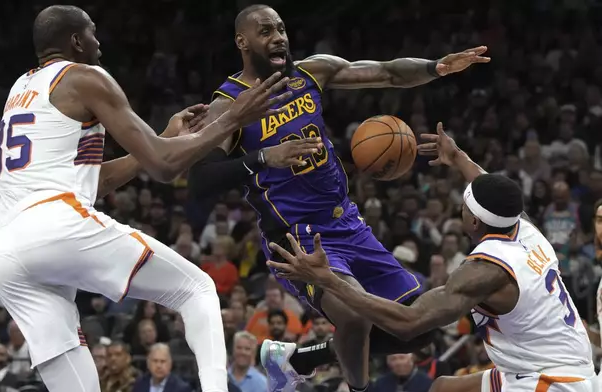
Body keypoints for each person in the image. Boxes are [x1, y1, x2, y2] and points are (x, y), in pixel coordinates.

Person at [0, 5, 291, 392]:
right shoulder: (85, 77)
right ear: (77, 41)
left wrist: (164, 137)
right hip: (55, 225)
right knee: (196, 290)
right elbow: (166, 167)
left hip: (5, 252)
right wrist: (232, 119)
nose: (99, 42)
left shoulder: (20, 90)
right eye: (93, 32)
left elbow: (92, 184)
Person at [187, 4, 489, 392]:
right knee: (355, 316)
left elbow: (389, 73)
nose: (278, 36)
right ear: (242, 42)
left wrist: (436, 68)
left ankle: (300, 359)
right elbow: (199, 180)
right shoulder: (230, 104)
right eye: (265, 31)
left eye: (281, 27)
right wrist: (263, 157)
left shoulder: (311, 71)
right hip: (296, 235)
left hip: (346, 221)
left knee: (419, 327)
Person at [267, 123, 597, 392]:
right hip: (556, 361)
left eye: (465, 205)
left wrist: (329, 281)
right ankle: (303, 359)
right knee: (442, 388)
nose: (461, 207)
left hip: (552, 382)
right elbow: (493, 189)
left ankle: (305, 360)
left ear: (474, 221)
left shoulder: (486, 270)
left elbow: (407, 324)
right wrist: (458, 157)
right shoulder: (527, 232)